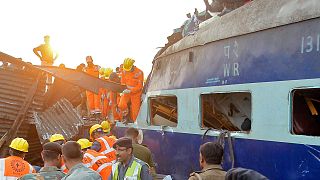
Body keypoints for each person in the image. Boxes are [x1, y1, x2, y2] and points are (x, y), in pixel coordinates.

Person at [118, 58, 144, 123]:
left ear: (132, 65)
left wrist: (131, 90)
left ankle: (136, 124)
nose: (127, 71)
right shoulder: (124, 71)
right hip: (126, 92)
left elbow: (140, 86)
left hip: (136, 93)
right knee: (121, 105)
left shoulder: (139, 72)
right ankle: (125, 117)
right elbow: (123, 82)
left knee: (135, 111)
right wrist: (123, 90)